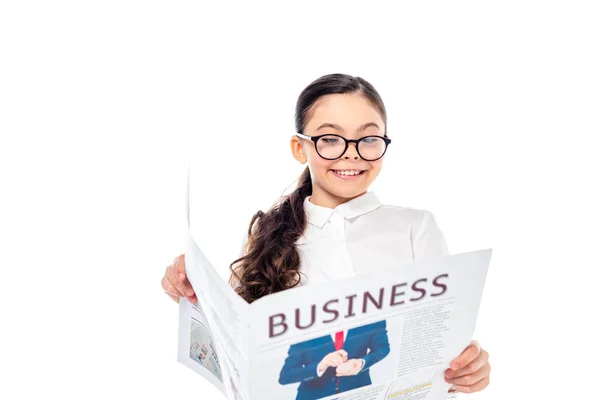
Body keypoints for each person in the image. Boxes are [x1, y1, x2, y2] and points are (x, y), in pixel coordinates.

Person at [161, 73, 491, 395]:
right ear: (299, 148)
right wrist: (192, 288)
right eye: (330, 139)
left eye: (369, 138)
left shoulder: (415, 229)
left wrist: (466, 370)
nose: (352, 152)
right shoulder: (270, 235)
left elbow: (435, 349)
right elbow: (242, 344)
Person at [278, 320, 390, 399]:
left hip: (358, 391)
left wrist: (361, 363)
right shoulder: (303, 322)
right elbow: (286, 375)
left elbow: (382, 347)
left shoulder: (372, 313)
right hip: (313, 395)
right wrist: (320, 366)